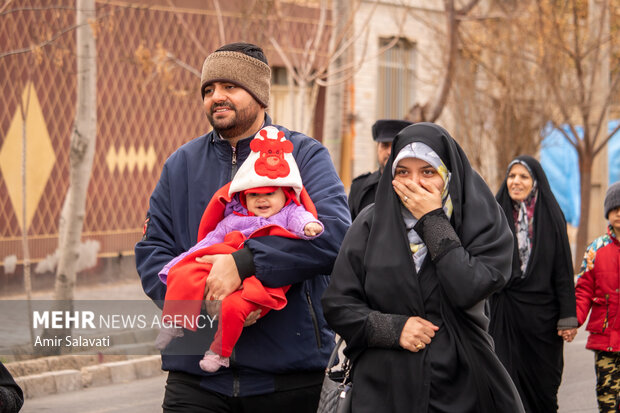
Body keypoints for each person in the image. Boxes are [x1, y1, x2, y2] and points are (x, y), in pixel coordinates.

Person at [135, 42, 350, 412]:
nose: (216, 96)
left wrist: (246, 264)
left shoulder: (304, 155)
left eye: (229, 86)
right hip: (195, 377)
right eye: (208, 89)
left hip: (287, 377)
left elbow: (333, 237)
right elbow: (153, 251)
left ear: (260, 94)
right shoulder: (180, 165)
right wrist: (205, 300)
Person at [322, 122, 525, 412]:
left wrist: (432, 220)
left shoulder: (477, 223)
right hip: (382, 388)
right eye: (403, 172)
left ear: (448, 175)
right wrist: (393, 329)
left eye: (428, 172)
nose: (414, 183)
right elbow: (337, 305)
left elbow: (470, 288)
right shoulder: (370, 223)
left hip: (459, 385)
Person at [156, 126, 324, 373]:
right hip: (216, 270)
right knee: (183, 274)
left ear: (286, 193)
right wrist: (180, 263)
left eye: (270, 193)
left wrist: (310, 226)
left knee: (235, 309)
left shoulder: (289, 211)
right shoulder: (233, 218)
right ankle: (175, 318)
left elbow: (303, 221)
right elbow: (207, 242)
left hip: (261, 280)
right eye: (254, 194)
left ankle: (219, 352)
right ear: (243, 198)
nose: (262, 199)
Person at [489, 155, 578, 413]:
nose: (516, 182)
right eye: (512, 176)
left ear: (535, 182)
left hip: (542, 321)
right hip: (503, 314)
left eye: (523, 176)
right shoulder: (494, 214)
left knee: (543, 388)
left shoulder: (551, 217)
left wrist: (567, 316)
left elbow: (562, 269)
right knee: (504, 385)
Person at [575, 181, 620, 412]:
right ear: (607, 213)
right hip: (606, 341)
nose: (619, 213)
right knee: (607, 400)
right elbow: (583, 290)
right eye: (615, 209)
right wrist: (572, 320)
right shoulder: (596, 249)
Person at [348, 119, 412, 220]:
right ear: (377, 148)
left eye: (395, 145)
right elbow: (349, 230)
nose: (389, 152)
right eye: (385, 145)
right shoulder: (360, 187)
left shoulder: (419, 186)